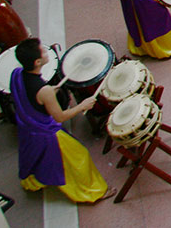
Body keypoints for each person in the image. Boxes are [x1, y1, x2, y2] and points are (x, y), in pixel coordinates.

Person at [10, 38, 114, 204]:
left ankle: (36, 180)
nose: (46, 52)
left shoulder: (16, 74)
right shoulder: (44, 91)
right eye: (43, 51)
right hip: (47, 135)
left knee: (40, 159)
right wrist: (82, 106)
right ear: (37, 62)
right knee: (79, 157)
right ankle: (94, 192)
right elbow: (60, 117)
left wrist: (49, 93)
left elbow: (24, 96)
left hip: (29, 130)